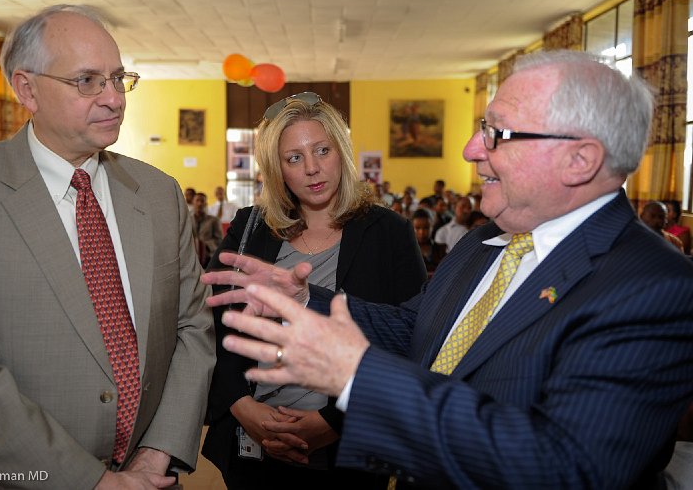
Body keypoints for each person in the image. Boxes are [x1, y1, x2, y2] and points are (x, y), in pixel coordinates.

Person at [201, 50, 693, 488]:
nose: (471, 150)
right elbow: (419, 328)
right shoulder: (484, 242)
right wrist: (305, 298)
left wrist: (358, 377)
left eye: (496, 133)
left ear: (579, 160)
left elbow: (563, 465)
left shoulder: (653, 289)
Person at [0, 5, 215, 490]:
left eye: (117, 78)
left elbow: (192, 327)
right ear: (27, 89)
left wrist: (157, 454)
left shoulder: (157, 192)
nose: (113, 99)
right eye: (87, 81)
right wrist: (90, 482)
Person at [202, 91, 426, 490]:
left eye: (322, 150)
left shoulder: (389, 233)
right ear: (278, 169)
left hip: (349, 447)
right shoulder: (250, 228)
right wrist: (242, 406)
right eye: (294, 158)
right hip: (253, 443)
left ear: (341, 150)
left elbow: (410, 341)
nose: (312, 168)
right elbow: (214, 325)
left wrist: (333, 423)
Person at [193, 191, 224, 267]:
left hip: (208, 257)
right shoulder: (186, 220)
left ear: (206, 204)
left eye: (202, 201)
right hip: (190, 257)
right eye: (197, 201)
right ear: (193, 203)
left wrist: (204, 245)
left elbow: (219, 240)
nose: (199, 203)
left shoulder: (214, 220)